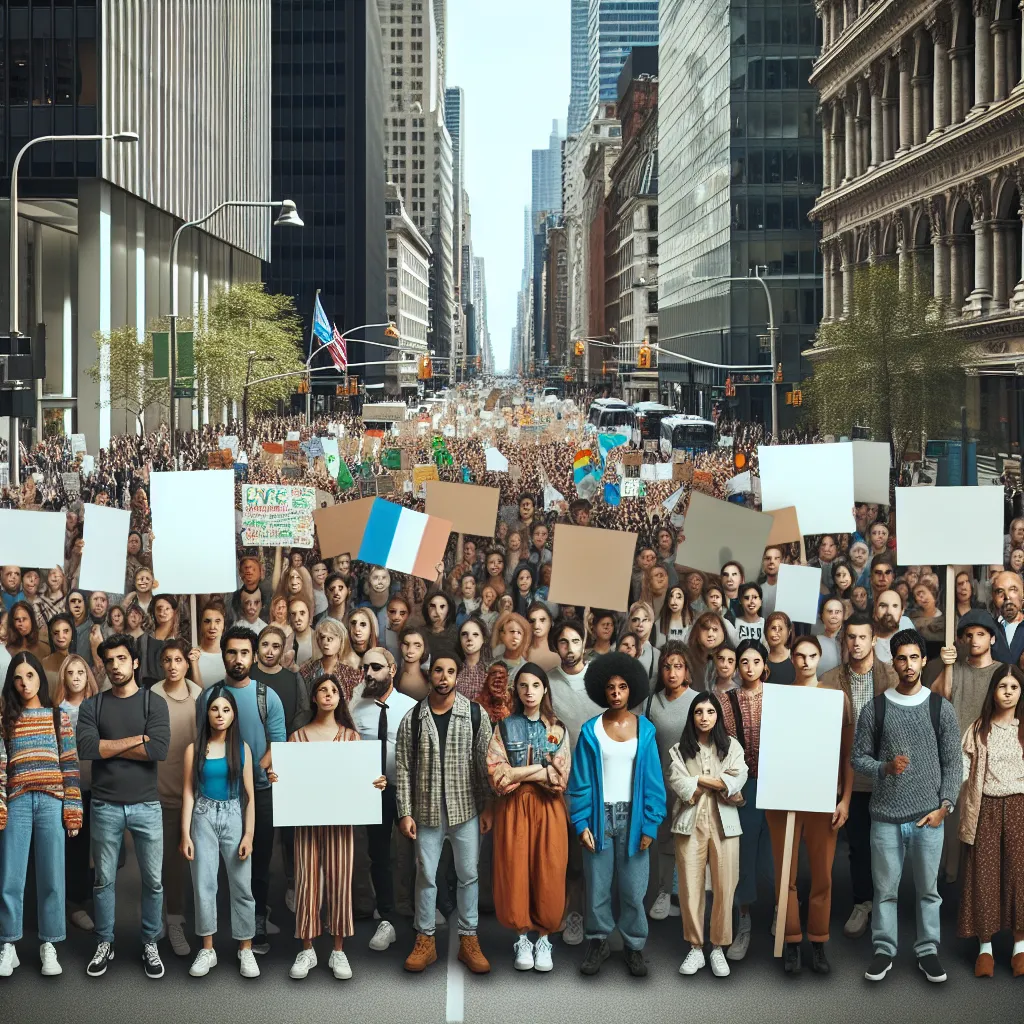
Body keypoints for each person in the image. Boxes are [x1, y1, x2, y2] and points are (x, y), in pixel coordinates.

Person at [851, 629, 962, 984]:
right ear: (894, 662)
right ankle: (884, 950)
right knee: (885, 891)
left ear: (923, 661)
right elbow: (858, 759)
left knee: (928, 890)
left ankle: (928, 951)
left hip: (929, 817)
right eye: (902, 658)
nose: (909, 664)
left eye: (915, 657)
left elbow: (953, 763)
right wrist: (883, 767)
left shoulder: (939, 707)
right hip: (884, 817)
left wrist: (945, 806)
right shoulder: (877, 707)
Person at [75, 633, 171, 979]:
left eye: (121, 659)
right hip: (104, 804)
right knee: (103, 881)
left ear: (133, 663)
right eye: (109, 660)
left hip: (147, 805)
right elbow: (88, 749)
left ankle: (150, 942)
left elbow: (157, 750)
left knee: (154, 881)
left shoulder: (153, 703)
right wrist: (136, 740)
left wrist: (109, 745)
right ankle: (105, 941)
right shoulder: (93, 706)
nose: (114, 666)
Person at [282, 674, 387, 981]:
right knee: (306, 883)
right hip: (306, 821)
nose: (327, 694)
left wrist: (375, 783)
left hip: (341, 822)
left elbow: (362, 780)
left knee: (341, 881)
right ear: (313, 697)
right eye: (321, 690)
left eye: (332, 690)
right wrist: (279, 778)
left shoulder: (352, 738)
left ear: (340, 698)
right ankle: (307, 948)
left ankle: (338, 950)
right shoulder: (297, 738)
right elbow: (290, 780)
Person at [569, 652, 666, 978]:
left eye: (622, 687)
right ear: (601, 690)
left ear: (631, 690)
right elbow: (579, 783)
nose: (615, 692)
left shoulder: (646, 730)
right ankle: (597, 942)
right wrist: (581, 822)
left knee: (633, 889)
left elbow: (654, 782)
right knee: (597, 886)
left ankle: (634, 946)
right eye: (610, 687)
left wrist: (651, 822)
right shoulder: (589, 731)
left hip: (634, 818)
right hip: (599, 816)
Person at [396, 653, 494, 975]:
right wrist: (405, 813)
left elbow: (484, 765)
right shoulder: (412, 719)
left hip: (465, 809)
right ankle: (425, 940)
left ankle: (469, 939)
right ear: (430, 675)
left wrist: (488, 807)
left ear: (457, 676)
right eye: (438, 670)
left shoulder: (475, 714)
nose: (444, 677)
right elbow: (404, 769)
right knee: (426, 876)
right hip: (426, 812)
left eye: (450, 672)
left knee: (469, 875)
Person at [195, 625, 286, 955]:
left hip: (258, 792)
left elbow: (278, 742)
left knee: (258, 862)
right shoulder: (209, 697)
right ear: (223, 655)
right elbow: (202, 743)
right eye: (231, 652)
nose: (238, 658)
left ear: (254, 655)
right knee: (214, 868)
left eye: (244, 652)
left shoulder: (267, 696)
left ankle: (256, 921)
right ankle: (212, 935)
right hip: (215, 796)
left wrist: (252, 769)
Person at [765, 636, 852, 975]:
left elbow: (847, 753)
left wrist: (844, 799)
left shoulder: (835, 699)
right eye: (799, 656)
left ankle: (817, 942)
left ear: (820, 658)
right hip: (783, 795)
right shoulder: (778, 697)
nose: (804, 661)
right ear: (791, 659)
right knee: (784, 875)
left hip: (821, 798)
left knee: (822, 874)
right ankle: (790, 941)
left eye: (811, 655)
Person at [0, 652, 82, 978]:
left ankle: (50, 944)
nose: (24, 683)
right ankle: (8, 944)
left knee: (52, 878)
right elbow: (0, 765)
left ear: (39, 677)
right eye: (18, 678)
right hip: (17, 801)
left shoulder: (57, 715)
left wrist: (73, 810)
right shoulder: (5, 716)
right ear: (12, 682)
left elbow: (71, 765)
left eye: (30, 676)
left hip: (52, 802)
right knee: (10, 878)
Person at [818, 612, 897, 939]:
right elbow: (822, 733)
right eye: (851, 637)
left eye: (862, 637)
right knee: (860, 847)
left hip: (887, 778)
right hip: (849, 777)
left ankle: (886, 905)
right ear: (844, 640)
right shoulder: (830, 679)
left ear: (874, 639)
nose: (856, 642)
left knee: (888, 847)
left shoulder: (891, 677)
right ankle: (862, 903)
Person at [486, 663, 570, 972]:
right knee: (515, 870)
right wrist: (539, 770)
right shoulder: (504, 727)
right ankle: (522, 938)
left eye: (535, 685)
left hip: (549, 809)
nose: (529, 691)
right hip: (513, 809)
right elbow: (498, 775)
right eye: (523, 685)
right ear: (516, 690)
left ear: (545, 688)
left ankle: (545, 938)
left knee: (548, 869)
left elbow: (560, 778)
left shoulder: (558, 729)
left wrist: (519, 772)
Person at [179, 685, 258, 979]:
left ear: (234, 714)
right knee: (204, 884)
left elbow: (249, 796)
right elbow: (188, 793)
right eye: (215, 709)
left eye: (226, 709)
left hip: (234, 814)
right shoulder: (194, 749)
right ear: (207, 714)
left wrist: (248, 835)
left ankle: (245, 947)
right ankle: (208, 948)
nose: (220, 715)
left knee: (241, 884)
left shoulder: (242, 749)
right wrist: (185, 834)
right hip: (202, 816)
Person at [668, 692, 747, 978]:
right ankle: (695, 948)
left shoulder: (732, 746)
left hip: (725, 825)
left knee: (726, 886)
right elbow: (681, 785)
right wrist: (715, 784)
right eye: (699, 712)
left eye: (710, 712)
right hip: (689, 825)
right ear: (692, 716)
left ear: (718, 716)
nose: (704, 717)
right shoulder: (679, 749)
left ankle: (717, 949)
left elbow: (738, 779)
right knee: (690, 888)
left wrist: (699, 780)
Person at [349, 648, 417, 953]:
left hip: (404, 789)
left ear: (392, 670)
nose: (369, 674)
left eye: (376, 667)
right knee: (378, 854)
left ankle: (421, 913)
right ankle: (387, 918)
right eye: (365, 668)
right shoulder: (355, 706)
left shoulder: (411, 707)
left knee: (413, 854)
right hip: (370, 790)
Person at [958, 664, 1024, 977]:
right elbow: (962, 769)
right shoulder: (978, 729)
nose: (1008, 692)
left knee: (1018, 875)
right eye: (1003, 687)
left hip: (1020, 808)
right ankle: (985, 949)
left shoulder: (1023, 729)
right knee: (983, 876)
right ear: (993, 691)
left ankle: (1019, 947)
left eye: (1014, 687)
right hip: (985, 808)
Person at [933, 609, 1003, 884]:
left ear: (992, 639)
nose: (974, 640)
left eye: (981, 635)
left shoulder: (1001, 673)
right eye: (969, 635)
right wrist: (947, 665)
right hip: (957, 756)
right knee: (954, 823)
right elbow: (940, 696)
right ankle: (952, 880)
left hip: (991, 756)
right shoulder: (956, 669)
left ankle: (980, 886)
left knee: (984, 825)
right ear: (962, 639)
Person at [718, 639, 772, 962]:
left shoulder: (779, 698)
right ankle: (745, 919)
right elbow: (720, 747)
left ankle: (782, 912)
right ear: (737, 667)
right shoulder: (725, 701)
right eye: (743, 662)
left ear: (764, 666)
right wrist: (729, 783)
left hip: (776, 783)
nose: (749, 667)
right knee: (743, 851)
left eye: (755, 661)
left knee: (776, 852)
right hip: (743, 785)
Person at [151, 639, 202, 958]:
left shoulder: (199, 696)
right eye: (167, 659)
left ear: (187, 663)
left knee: (181, 863)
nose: (172, 665)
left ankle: (176, 921)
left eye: (178, 659)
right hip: (155, 791)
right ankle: (156, 919)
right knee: (155, 861)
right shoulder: (152, 696)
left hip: (191, 792)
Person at [641, 641, 699, 922]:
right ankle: (664, 891)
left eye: (678, 667)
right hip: (660, 780)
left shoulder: (699, 700)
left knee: (687, 839)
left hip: (691, 781)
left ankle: (683, 894)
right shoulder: (652, 702)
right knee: (663, 838)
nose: (672, 672)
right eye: (667, 667)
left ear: (687, 670)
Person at [52, 654, 100, 932]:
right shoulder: (58, 711)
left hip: (101, 785)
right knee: (77, 848)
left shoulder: (97, 707)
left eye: (81, 671)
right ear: (64, 678)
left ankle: (94, 899)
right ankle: (76, 905)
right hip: (72, 789)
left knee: (104, 848)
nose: (77, 676)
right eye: (71, 673)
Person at [991, 570, 1024, 664]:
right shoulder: (988, 630)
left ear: (1022, 593)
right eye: (1000, 591)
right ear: (993, 597)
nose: (1007, 597)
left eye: (1013, 589)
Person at [193, 602, 228, 690]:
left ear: (224, 624)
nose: (212, 626)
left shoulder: (231, 655)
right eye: (207, 621)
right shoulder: (193, 655)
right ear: (201, 625)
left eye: (217, 621)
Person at [455, 616, 489, 700]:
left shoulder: (491, 671)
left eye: (475, 634)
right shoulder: (453, 671)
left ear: (483, 639)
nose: (469, 638)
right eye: (464, 634)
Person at [627, 601, 660, 684]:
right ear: (630, 623)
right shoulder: (617, 648)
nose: (640, 624)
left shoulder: (657, 655)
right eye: (635, 620)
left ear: (651, 623)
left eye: (645, 620)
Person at [524, 601, 559, 672]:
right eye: (532, 621)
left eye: (542, 620)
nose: (536, 626)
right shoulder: (522, 652)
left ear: (551, 622)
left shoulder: (556, 658)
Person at [397, 627, 431, 701]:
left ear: (424, 649)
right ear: (400, 646)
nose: (410, 650)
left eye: (417, 646)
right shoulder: (398, 672)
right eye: (406, 644)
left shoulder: (424, 676)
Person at [763, 611, 795, 686]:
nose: (776, 633)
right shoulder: (761, 660)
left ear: (789, 632)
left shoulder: (795, 657)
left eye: (780, 629)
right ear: (765, 632)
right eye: (773, 628)